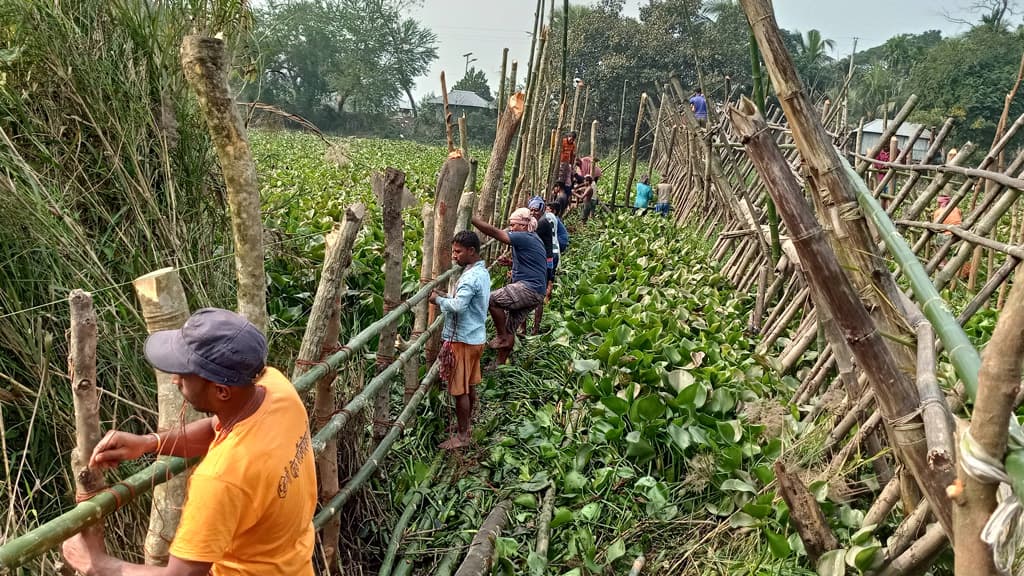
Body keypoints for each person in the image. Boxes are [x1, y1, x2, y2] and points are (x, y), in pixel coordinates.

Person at [62, 308, 317, 576]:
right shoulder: (276, 390)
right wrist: (149, 443)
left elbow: (181, 575)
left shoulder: (221, 477)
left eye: (185, 373)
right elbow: (214, 427)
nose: (175, 379)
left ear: (221, 390)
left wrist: (96, 563)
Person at [430, 231, 490, 450]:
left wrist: (438, 300)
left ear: (471, 251)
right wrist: (447, 298)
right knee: (470, 385)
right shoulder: (480, 271)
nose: (454, 256)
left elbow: (458, 306)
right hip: (476, 337)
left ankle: (463, 436)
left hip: (463, 340)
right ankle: (466, 424)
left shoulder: (470, 278)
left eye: (458, 251)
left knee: (459, 390)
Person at [471, 209, 547, 365]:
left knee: (492, 299)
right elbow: (534, 262)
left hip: (529, 289)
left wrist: (472, 219)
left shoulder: (524, 237)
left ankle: (501, 337)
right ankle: (499, 366)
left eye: (513, 225)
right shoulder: (534, 238)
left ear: (523, 225)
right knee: (510, 327)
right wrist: (512, 263)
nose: (511, 229)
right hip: (537, 292)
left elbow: (495, 233)